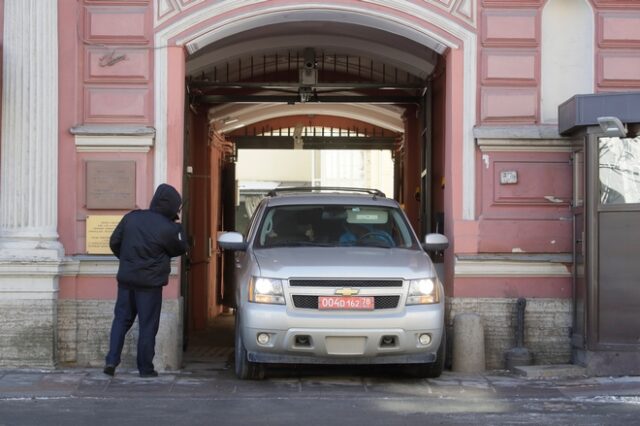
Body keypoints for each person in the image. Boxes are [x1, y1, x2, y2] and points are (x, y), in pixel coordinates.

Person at [104, 183, 189, 377]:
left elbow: (114, 242)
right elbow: (180, 248)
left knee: (121, 321)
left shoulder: (131, 218)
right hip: (150, 286)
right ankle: (145, 368)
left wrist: (128, 261)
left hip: (127, 280)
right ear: (173, 207)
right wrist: (178, 228)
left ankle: (111, 361)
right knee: (148, 325)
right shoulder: (168, 228)